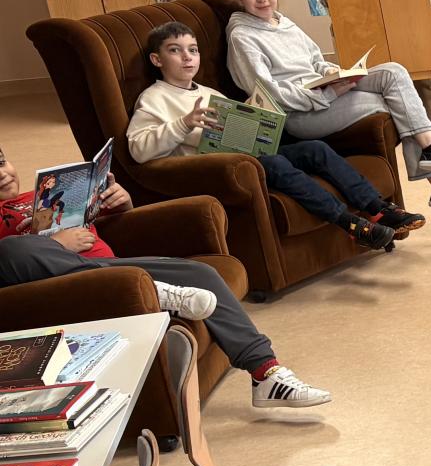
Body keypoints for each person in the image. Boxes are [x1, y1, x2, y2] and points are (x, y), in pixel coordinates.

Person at [0, 145, 330, 413]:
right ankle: (153, 292)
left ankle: (266, 374)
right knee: (12, 249)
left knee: (201, 273)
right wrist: (57, 244)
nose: (2, 174)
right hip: (77, 289)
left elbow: (113, 220)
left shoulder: (41, 195)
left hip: (119, 267)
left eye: (1, 161)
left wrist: (122, 202)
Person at [223, 0, 431, 215]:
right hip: (302, 114)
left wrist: (332, 73)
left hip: (323, 91)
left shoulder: (285, 24)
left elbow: (315, 60)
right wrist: (328, 93)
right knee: (396, 104)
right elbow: (269, 95)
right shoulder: (242, 37)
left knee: (394, 72)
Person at [128, 22, 421, 252]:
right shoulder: (153, 98)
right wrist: (183, 124)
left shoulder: (210, 93)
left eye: (192, 50)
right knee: (275, 163)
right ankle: (350, 224)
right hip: (220, 169)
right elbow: (138, 149)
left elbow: (240, 127)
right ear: (157, 59)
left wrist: (258, 117)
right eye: (175, 50)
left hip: (249, 153)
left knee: (314, 149)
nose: (187, 57)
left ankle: (378, 209)